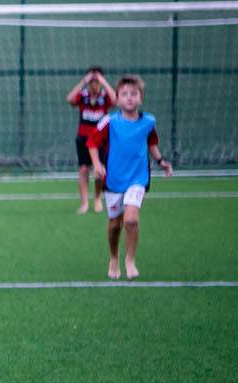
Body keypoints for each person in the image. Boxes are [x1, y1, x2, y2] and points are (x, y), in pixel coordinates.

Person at [87, 75, 173, 280]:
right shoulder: (110, 121)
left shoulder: (148, 122)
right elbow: (91, 143)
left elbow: (151, 142)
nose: (129, 98)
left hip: (138, 178)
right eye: (124, 94)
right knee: (115, 224)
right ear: (117, 99)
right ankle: (114, 256)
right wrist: (97, 165)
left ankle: (130, 260)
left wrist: (161, 162)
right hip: (114, 180)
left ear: (140, 98)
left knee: (131, 220)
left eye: (134, 94)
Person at [66, 66, 115, 214]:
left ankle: (97, 198)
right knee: (83, 169)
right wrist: (83, 81)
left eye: (96, 80)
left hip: (100, 140)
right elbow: (69, 99)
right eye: (91, 80)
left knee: (99, 171)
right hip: (83, 139)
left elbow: (116, 100)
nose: (94, 83)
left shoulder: (105, 96)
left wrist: (104, 82)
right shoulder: (83, 95)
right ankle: (84, 203)